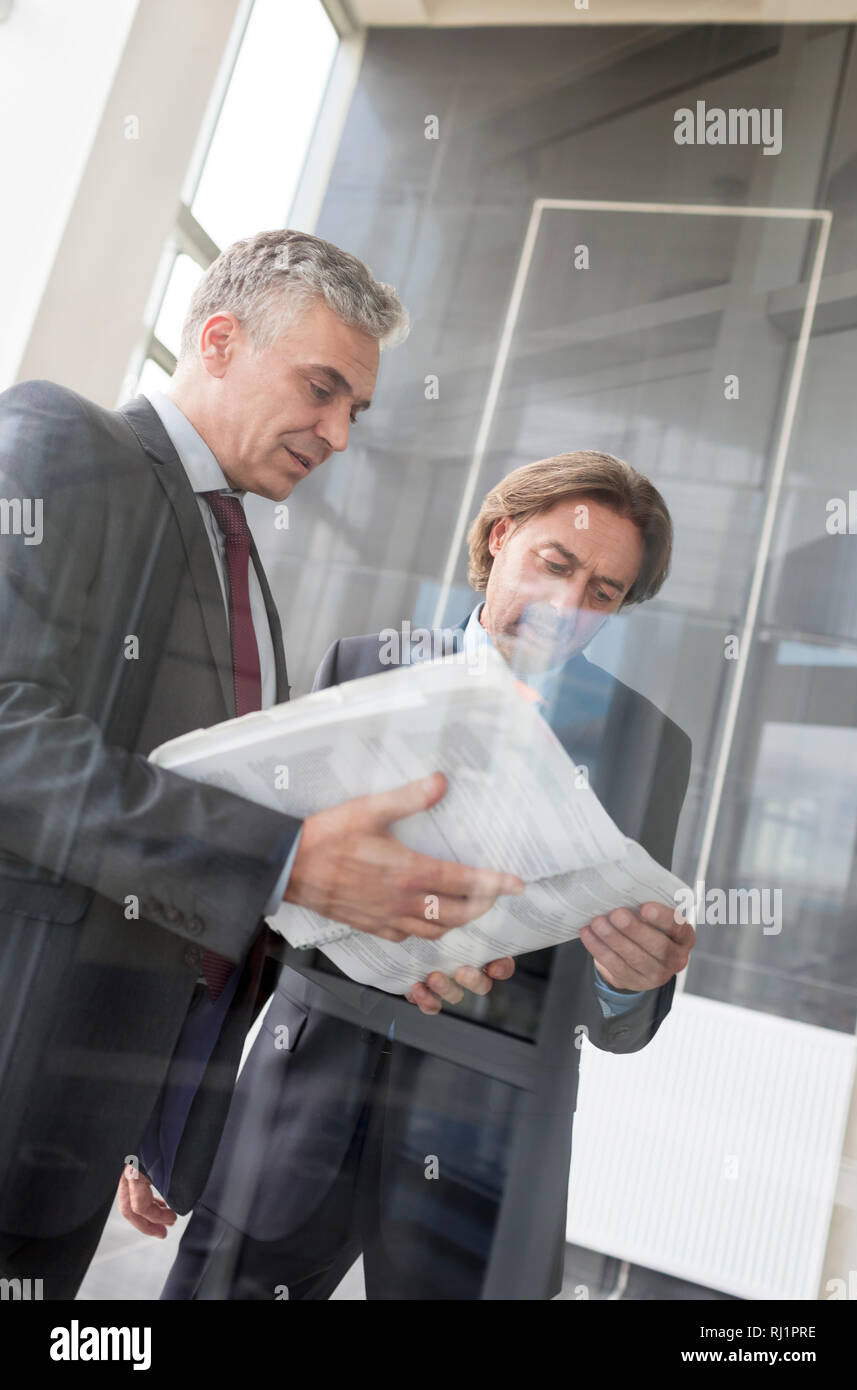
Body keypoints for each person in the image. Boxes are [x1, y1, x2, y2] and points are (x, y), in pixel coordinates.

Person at [0, 229, 522, 1300]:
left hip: (76, 1127)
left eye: (354, 412)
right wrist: (284, 858)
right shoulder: (64, 441)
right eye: (321, 390)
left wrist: (367, 932)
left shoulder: (247, 575)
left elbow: (196, 853)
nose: (336, 434)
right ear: (221, 338)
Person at [158, 451, 696, 1301]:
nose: (566, 607)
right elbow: (256, 916)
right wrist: (166, 1125)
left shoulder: (647, 746)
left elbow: (620, 1013)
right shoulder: (361, 667)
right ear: (500, 535)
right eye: (555, 566)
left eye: (601, 595)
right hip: (295, 1099)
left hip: (487, 1150)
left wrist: (631, 979)